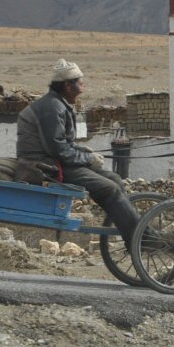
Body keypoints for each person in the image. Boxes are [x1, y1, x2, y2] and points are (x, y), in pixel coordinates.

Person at [16, 58, 145, 244]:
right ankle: (142, 239)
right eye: (79, 81)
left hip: (54, 162)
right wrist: (87, 158)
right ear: (68, 86)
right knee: (111, 188)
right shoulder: (52, 107)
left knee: (115, 179)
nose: (83, 84)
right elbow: (58, 149)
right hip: (45, 168)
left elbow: (61, 144)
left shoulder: (56, 103)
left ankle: (132, 232)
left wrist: (82, 150)